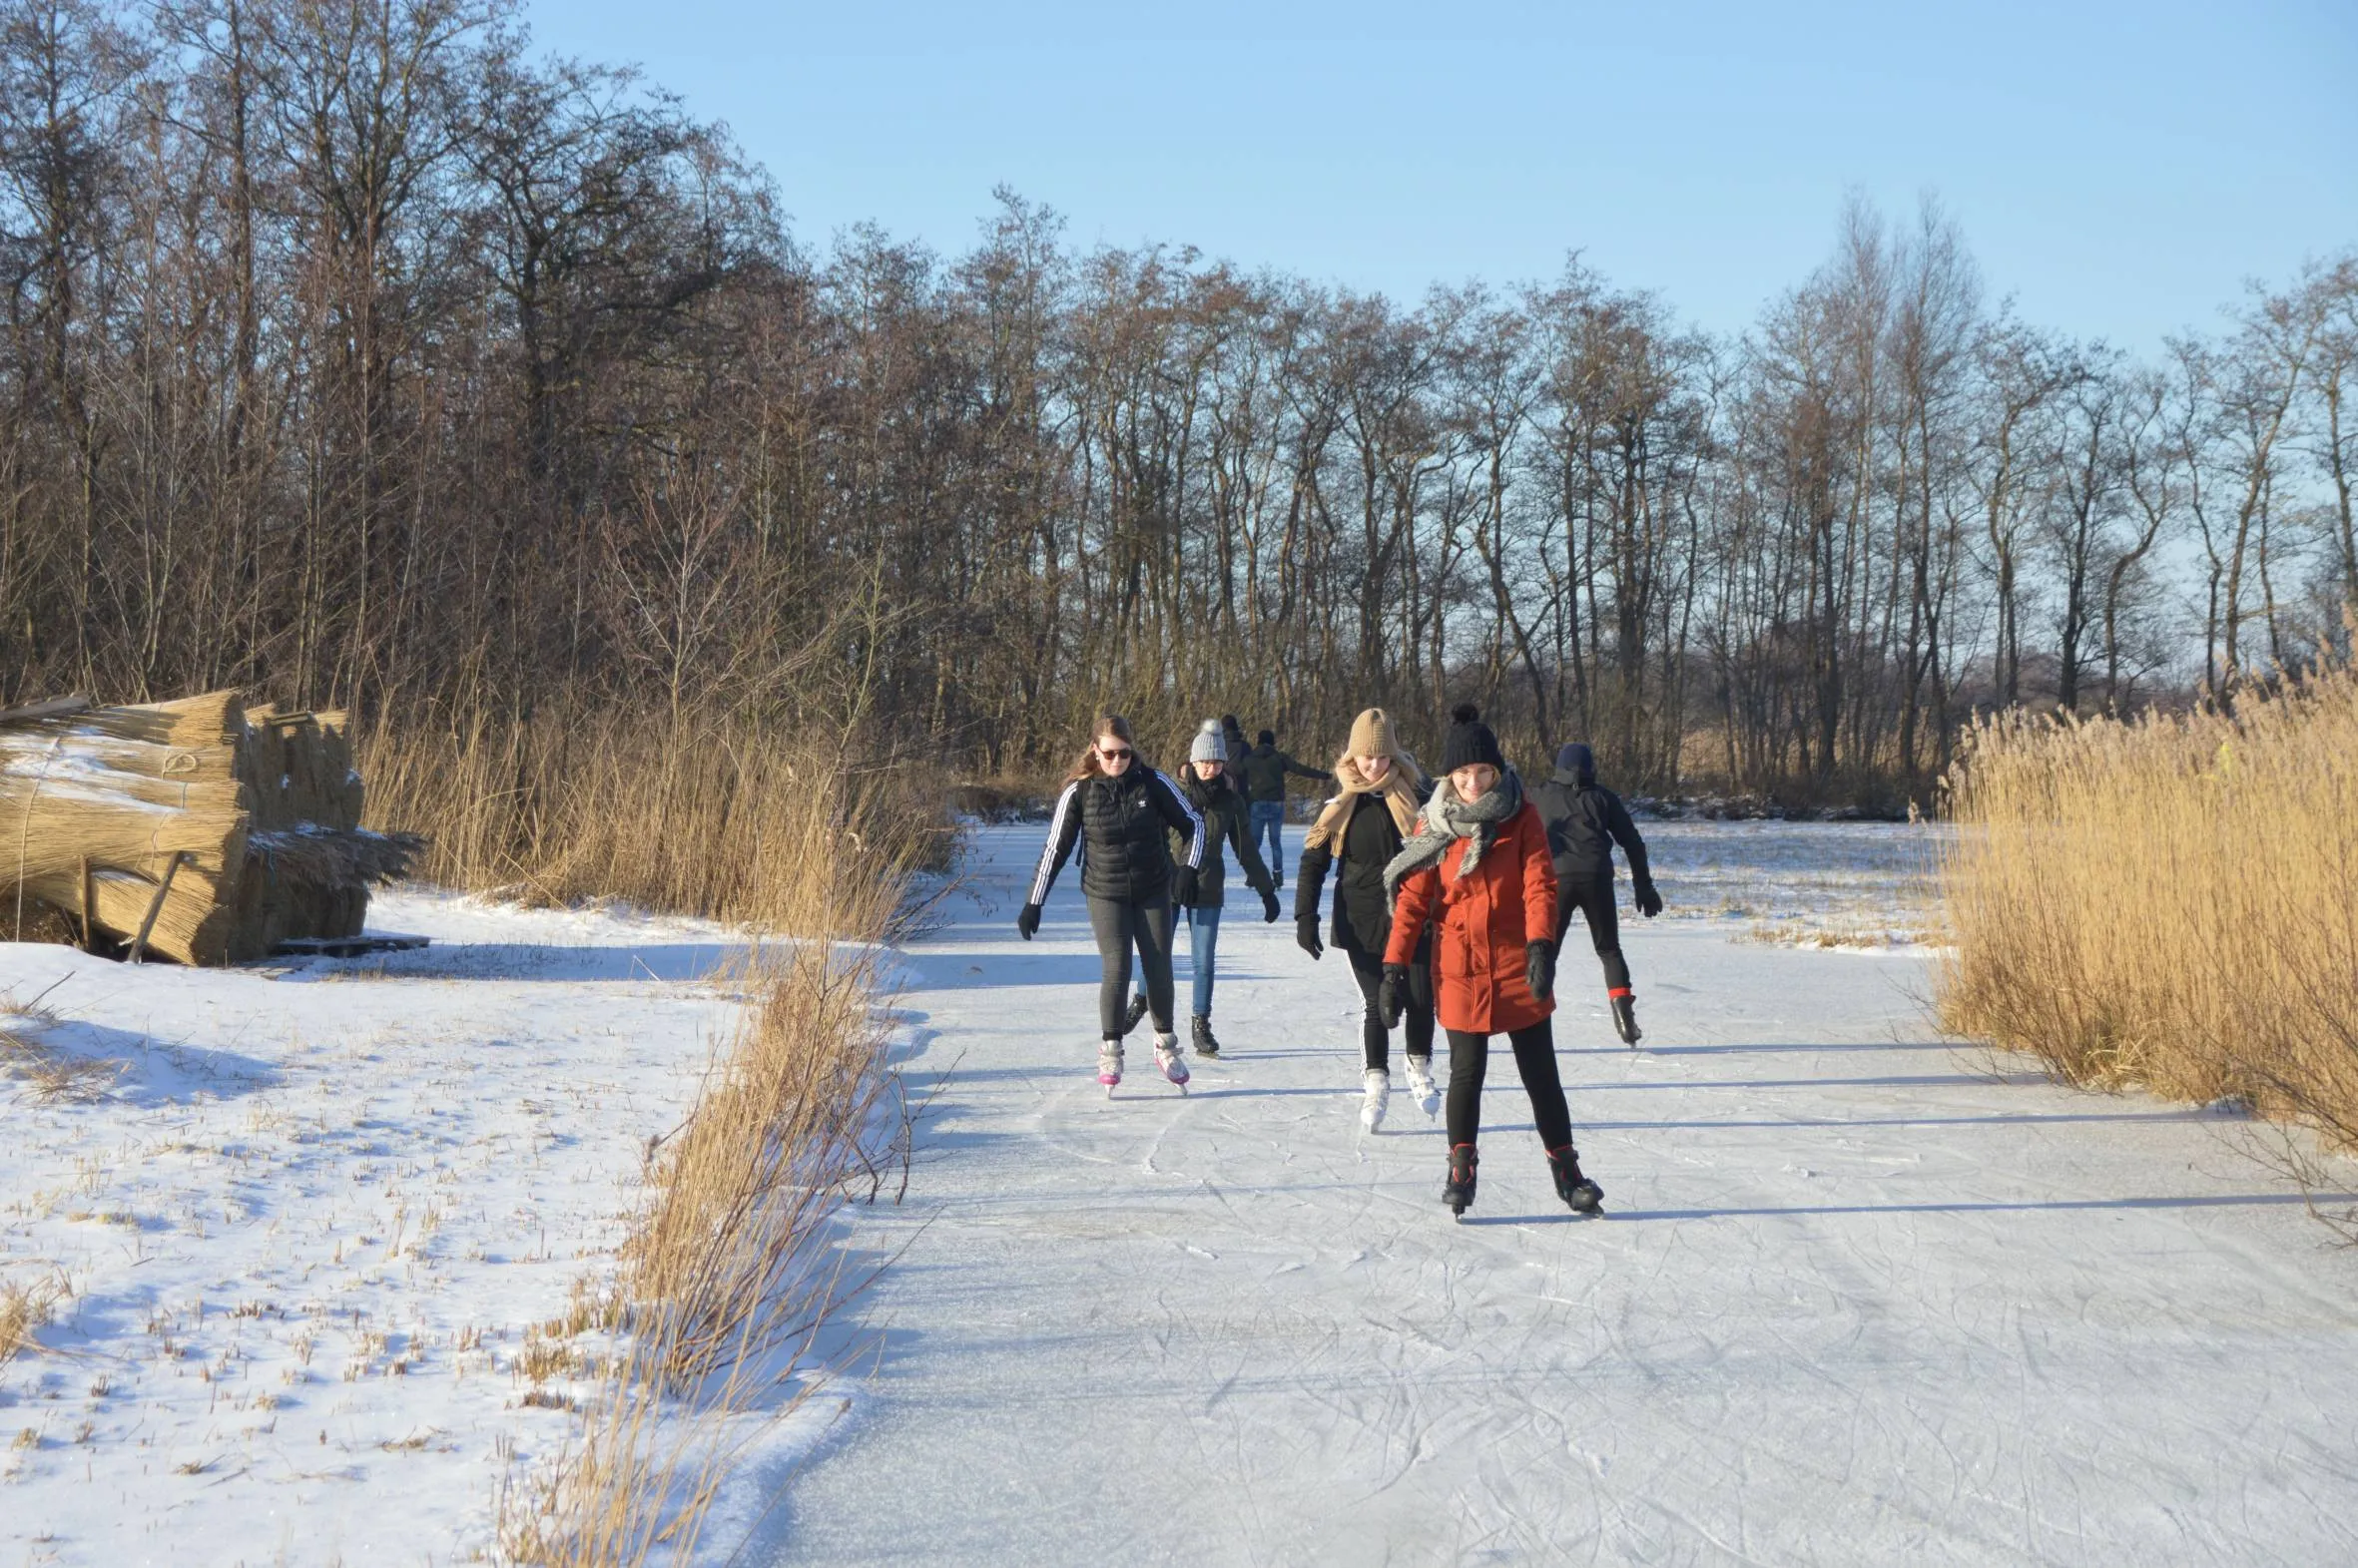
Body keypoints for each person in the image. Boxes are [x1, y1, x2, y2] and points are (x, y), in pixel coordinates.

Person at [1383, 705, 1604, 1218]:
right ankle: (1461, 1171)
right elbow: (1414, 903)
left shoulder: (1521, 815)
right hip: (1459, 966)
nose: (1474, 783)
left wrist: (1540, 946)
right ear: (1449, 776)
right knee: (1466, 1072)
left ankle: (1567, 1172)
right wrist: (1394, 968)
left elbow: (1539, 885)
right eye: (1463, 773)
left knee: (1541, 1074)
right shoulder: (1432, 827)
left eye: (1482, 772)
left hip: (1514, 961)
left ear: (1497, 770)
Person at [1018, 716, 1206, 1094]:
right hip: (1105, 891)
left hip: (1154, 888)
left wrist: (1187, 869)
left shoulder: (1153, 783)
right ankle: (1111, 1049)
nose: (1117, 761)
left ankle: (1165, 1047)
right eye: (1109, 754)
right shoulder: (1080, 792)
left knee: (1158, 967)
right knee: (1117, 968)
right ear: (1095, 751)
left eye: (1123, 753)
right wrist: (1034, 902)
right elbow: (1056, 847)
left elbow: (1194, 824)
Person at [1293, 707, 1439, 1131]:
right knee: (1376, 1004)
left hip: (1414, 915)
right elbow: (1313, 859)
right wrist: (1306, 915)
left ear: (1394, 756)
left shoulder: (1419, 797)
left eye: (1382, 757)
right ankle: (1376, 1079)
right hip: (1359, 916)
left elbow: (1443, 854)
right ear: (1352, 757)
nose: (1373, 766)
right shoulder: (1343, 803)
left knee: (1419, 997)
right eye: (1365, 757)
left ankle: (1419, 1067)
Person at [1530, 742, 1661, 1045]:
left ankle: (1534, 1018)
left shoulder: (1539, 796)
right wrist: (1644, 885)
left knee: (1546, 951)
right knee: (1608, 950)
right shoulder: (1604, 798)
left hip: (1556, 879)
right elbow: (1633, 842)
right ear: (1591, 768)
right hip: (1596, 877)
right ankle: (1625, 1022)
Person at [1166, 720, 1281, 1058]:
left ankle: (1201, 1024)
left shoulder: (1230, 801)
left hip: (1208, 884)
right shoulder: (1171, 793)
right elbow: (1152, 838)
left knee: (1203, 961)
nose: (1210, 768)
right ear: (1193, 761)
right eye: (1204, 762)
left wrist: (1266, 891)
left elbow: (1246, 849)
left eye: (1216, 762)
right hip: (1169, 880)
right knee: (1157, 954)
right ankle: (1142, 1000)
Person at [1236, 728, 1332, 887]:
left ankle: (1253, 876)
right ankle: (1278, 875)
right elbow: (1300, 769)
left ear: (1258, 741)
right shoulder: (1279, 758)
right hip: (1276, 804)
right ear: (1272, 742)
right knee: (1275, 842)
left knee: (1255, 843)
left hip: (1257, 803)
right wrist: (1325, 775)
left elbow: (1234, 771)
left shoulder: (1249, 759)